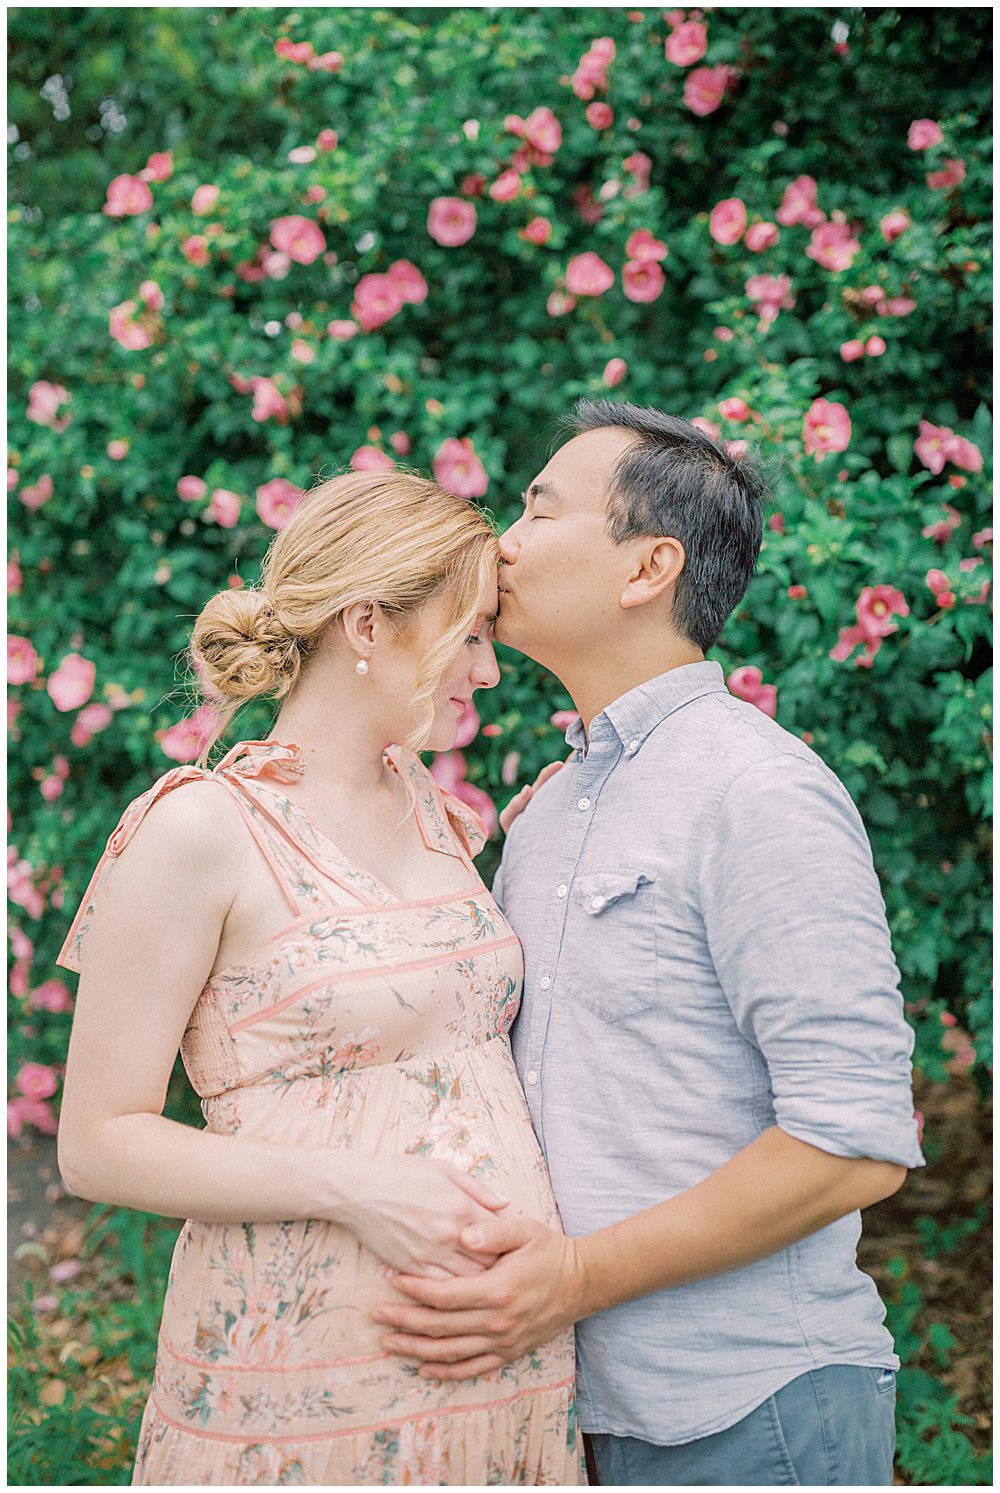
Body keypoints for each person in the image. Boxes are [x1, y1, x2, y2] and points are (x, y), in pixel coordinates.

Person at [371, 401, 926, 1487]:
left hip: (748, 1407)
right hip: (573, 1404)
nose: (500, 542)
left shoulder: (755, 790)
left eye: (539, 508)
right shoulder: (551, 805)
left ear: (647, 568)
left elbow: (853, 1139)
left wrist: (572, 1274)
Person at [55, 471, 583, 1487]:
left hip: (500, 1368)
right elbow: (97, 1143)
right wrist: (361, 1189)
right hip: (306, 1383)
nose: (489, 669)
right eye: (468, 633)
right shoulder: (202, 827)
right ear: (367, 624)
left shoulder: (435, 808)